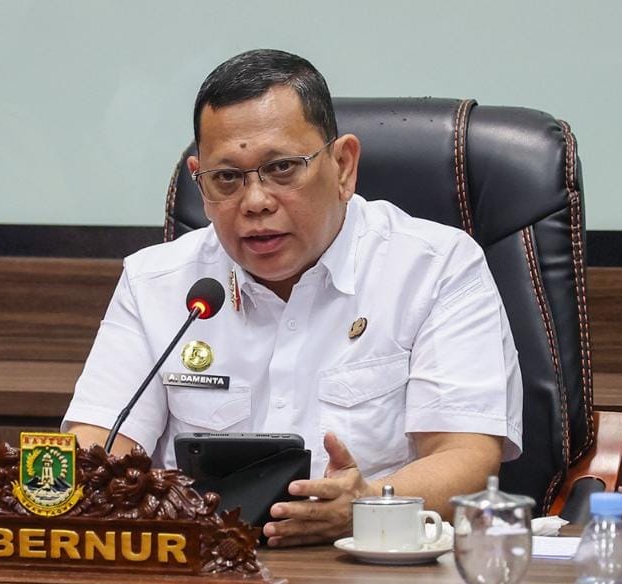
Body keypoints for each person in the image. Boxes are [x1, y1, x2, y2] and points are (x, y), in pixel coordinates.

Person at [63, 49, 523, 547]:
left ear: (343, 166)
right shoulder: (156, 282)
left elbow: (466, 459)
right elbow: (96, 447)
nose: (255, 201)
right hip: (201, 568)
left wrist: (367, 503)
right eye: (227, 178)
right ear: (200, 179)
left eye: (282, 168)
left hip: (373, 567)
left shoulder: (435, 267)